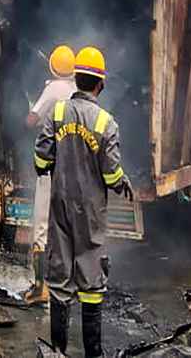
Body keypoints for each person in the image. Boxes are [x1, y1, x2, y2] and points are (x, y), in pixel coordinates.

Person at [34, 46, 134, 358]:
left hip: (61, 205)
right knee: (91, 278)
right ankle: (93, 352)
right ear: (100, 85)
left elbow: (40, 158)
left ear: (77, 80)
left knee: (60, 276)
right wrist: (122, 182)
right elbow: (111, 173)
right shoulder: (106, 122)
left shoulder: (58, 112)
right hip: (91, 211)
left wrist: (50, 167)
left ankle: (58, 351)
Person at [23, 45, 77, 306]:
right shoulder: (78, 91)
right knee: (66, 228)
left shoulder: (54, 89)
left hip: (51, 168)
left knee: (41, 228)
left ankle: (39, 288)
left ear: (53, 67)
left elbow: (31, 120)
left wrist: (32, 106)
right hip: (74, 171)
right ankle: (67, 285)